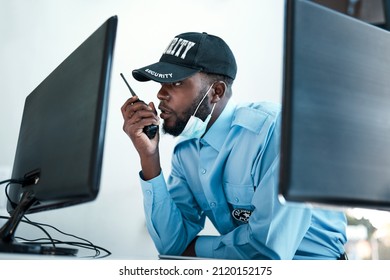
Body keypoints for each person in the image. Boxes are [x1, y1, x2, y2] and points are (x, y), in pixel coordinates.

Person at [121, 32, 347, 259]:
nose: (160, 93)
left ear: (216, 92)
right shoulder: (186, 152)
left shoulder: (276, 131)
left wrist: (196, 249)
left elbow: (268, 255)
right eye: (161, 83)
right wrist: (149, 157)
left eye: (177, 82)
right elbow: (171, 245)